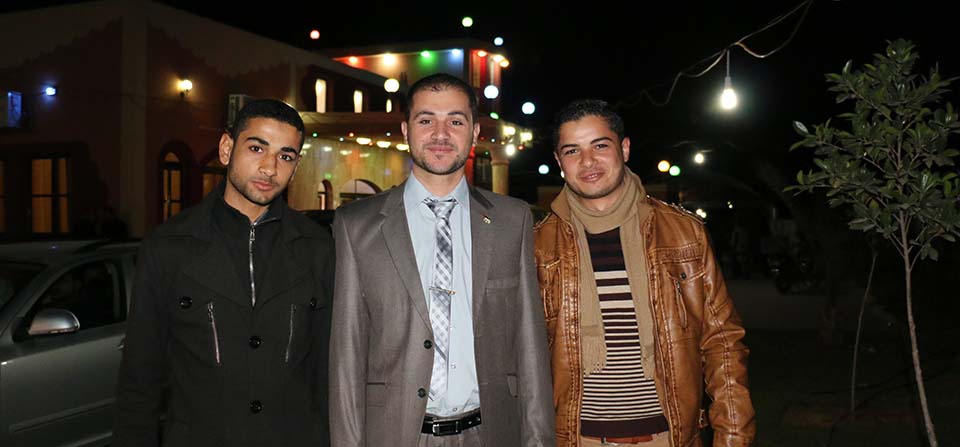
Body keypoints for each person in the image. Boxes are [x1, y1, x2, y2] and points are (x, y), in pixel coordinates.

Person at [329, 73, 555, 447]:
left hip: (490, 434)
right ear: (405, 130)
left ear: (475, 132)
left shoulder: (512, 219)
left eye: (455, 121)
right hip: (395, 436)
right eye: (426, 120)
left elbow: (529, 345)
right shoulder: (357, 226)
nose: (440, 134)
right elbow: (346, 356)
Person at [534, 99, 755, 447]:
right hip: (576, 440)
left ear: (624, 148)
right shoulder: (538, 246)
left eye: (600, 146)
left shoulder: (683, 233)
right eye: (572, 150)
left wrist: (733, 437)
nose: (587, 161)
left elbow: (722, 342)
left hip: (669, 438)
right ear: (559, 161)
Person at [114, 99, 334, 447]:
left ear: (296, 166)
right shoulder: (169, 246)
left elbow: (327, 371)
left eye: (285, 156)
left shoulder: (318, 248)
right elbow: (140, 375)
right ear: (226, 148)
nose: (269, 168)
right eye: (257, 148)